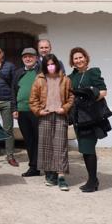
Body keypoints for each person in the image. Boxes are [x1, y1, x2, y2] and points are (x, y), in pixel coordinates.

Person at [29, 54, 74, 191]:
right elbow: (33, 99)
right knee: (46, 145)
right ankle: (50, 175)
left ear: (57, 64)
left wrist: (64, 108)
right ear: (44, 66)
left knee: (60, 145)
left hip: (60, 115)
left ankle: (61, 176)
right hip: (45, 115)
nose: (51, 66)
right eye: (48, 64)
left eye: (53, 63)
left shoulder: (65, 79)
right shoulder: (39, 79)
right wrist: (38, 111)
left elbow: (71, 97)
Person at [68, 47, 108, 193]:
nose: (78, 60)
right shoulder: (72, 77)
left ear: (86, 58)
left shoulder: (93, 73)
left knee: (88, 147)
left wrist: (89, 99)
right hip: (79, 117)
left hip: (91, 116)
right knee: (85, 149)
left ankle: (93, 180)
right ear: (72, 62)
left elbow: (103, 91)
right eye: (75, 58)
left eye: (80, 57)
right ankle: (92, 179)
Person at [13, 48, 41, 177]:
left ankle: (46, 166)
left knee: (40, 139)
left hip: (37, 111)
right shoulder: (18, 73)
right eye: (25, 57)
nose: (28, 59)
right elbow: (13, 92)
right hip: (22, 111)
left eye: (30, 56)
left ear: (36, 58)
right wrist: (14, 108)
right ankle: (33, 167)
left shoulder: (41, 71)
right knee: (29, 140)